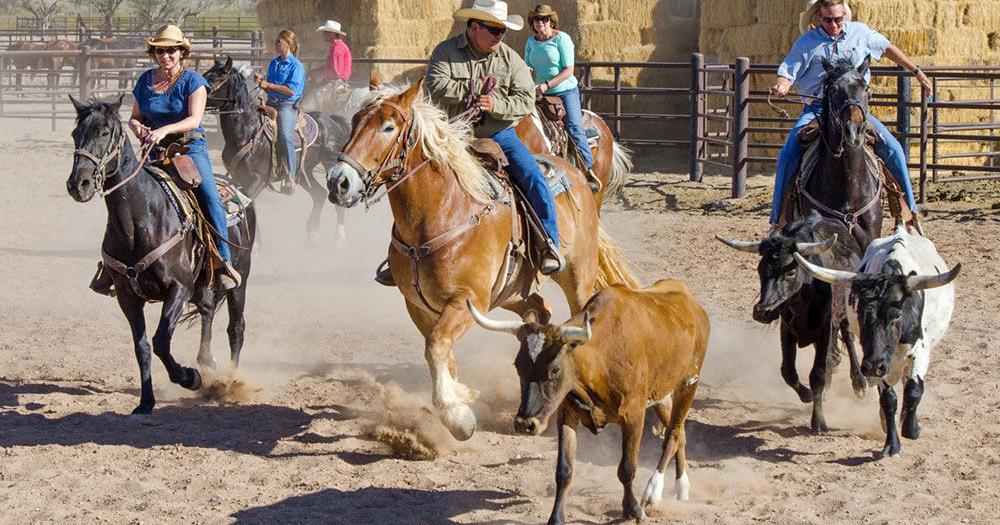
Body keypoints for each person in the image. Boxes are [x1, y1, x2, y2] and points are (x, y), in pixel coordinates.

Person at [90, 24, 241, 295]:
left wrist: (164, 130)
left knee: (209, 197)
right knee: (124, 198)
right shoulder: (145, 81)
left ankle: (223, 262)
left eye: (171, 50)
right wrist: (139, 128)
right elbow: (134, 117)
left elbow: (195, 119)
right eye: (161, 51)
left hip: (188, 150)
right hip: (153, 151)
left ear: (181, 52)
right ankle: (111, 266)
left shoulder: (194, 81)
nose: (166, 56)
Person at [425, 0, 563, 275]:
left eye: (503, 31)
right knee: (414, 179)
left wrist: (495, 105)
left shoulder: (510, 59)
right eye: (494, 30)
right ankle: (401, 254)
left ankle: (549, 243)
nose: (500, 36)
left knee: (533, 177)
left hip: (498, 132)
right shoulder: (446, 51)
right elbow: (435, 84)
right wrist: (471, 93)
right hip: (451, 132)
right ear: (474, 27)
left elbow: (525, 100)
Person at [769, 0, 928, 227]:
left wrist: (916, 70)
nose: (833, 24)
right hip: (818, 110)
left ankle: (909, 214)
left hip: (854, 111)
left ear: (844, 14)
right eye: (827, 20)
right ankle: (778, 221)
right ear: (818, 17)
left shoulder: (861, 33)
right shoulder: (806, 43)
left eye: (838, 19)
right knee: (787, 155)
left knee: (894, 150)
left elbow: (886, 48)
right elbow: (788, 70)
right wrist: (783, 85)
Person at [523, 4, 601, 192]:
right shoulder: (531, 42)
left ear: (551, 21)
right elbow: (528, 66)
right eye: (537, 19)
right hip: (540, 93)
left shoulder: (562, 39)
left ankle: (587, 169)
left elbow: (569, 70)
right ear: (532, 22)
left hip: (564, 91)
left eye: (544, 19)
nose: (540, 22)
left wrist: (546, 84)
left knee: (574, 126)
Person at [255, 29, 306, 195]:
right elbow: (268, 82)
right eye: (276, 40)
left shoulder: (296, 66)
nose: (276, 43)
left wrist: (268, 85)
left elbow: (291, 90)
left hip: (286, 105)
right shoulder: (274, 63)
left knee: (285, 136)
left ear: (288, 44)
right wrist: (262, 83)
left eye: (279, 41)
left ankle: (290, 175)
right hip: (270, 102)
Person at [313, 20, 352, 85]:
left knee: (313, 95)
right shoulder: (338, 46)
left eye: (325, 32)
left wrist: (320, 73)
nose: (323, 34)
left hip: (336, 83)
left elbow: (337, 72)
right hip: (338, 81)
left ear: (332, 34)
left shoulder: (337, 48)